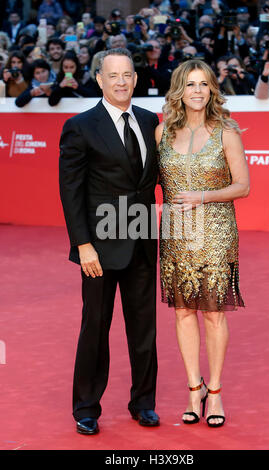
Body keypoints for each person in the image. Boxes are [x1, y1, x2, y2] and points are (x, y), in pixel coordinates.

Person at [59, 48, 160, 435]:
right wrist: (82, 245)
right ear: (99, 80)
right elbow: (71, 191)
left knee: (144, 328)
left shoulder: (151, 120)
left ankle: (144, 402)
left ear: (136, 79)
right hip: (99, 246)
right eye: (112, 75)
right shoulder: (81, 126)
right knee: (95, 327)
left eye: (127, 75)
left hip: (142, 240)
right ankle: (86, 407)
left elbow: (155, 178)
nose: (121, 81)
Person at [155, 59, 250, 427]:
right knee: (182, 312)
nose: (197, 91)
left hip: (215, 232)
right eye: (190, 84)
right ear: (179, 90)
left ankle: (215, 394)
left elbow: (242, 186)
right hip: (176, 235)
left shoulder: (226, 131)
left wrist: (202, 196)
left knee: (213, 313)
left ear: (212, 89)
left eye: (204, 84)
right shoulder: (162, 133)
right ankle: (193, 389)